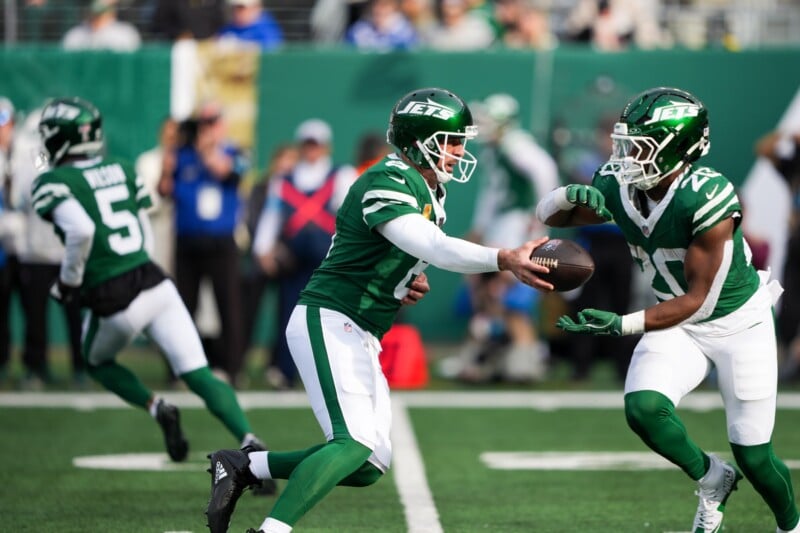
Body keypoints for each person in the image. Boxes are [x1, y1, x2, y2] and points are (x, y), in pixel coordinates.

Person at [204, 87, 553, 533]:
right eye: (451, 140)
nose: (460, 151)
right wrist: (503, 257)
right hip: (330, 318)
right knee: (352, 443)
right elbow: (431, 245)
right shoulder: (385, 179)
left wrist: (403, 279)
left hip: (361, 328)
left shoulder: (426, 188)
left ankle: (245, 467)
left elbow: (395, 252)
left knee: (368, 463)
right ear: (419, 140)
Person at [536, 86, 800, 533]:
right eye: (627, 143)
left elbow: (699, 298)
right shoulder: (621, 183)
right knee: (643, 409)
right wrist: (569, 196)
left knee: (755, 456)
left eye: (640, 145)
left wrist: (621, 324)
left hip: (738, 323)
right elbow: (551, 217)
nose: (627, 155)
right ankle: (712, 478)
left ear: (677, 148)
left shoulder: (707, 195)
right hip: (677, 323)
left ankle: (791, 526)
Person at [31, 97, 275, 496]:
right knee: (198, 373)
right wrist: (139, 262)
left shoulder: (53, 182)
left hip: (112, 294)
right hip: (153, 280)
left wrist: (69, 281)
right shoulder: (122, 168)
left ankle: (156, 406)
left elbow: (80, 231)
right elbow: (143, 219)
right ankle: (251, 442)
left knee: (95, 360)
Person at [442, 92, 558, 383]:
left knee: (508, 296)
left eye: (490, 120)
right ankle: (491, 357)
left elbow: (545, 171)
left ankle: (522, 358)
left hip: (516, 227)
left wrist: (542, 216)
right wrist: (479, 229)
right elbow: (492, 195)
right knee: (486, 293)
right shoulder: (497, 149)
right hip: (501, 227)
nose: (484, 125)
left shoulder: (516, 145)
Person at [251, 119, 357, 389]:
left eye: (317, 144)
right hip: (294, 260)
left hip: (328, 260)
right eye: (308, 144)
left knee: (332, 316)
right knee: (290, 315)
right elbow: (272, 216)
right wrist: (263, 249)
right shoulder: (283, 180)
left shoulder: (341, 175)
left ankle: (333, 372)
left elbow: (350, 216)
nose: (312, 150)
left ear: (326, 147)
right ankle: (285, 372)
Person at [158, 101, 247, 387]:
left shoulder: (234, 151)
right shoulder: (181, 155)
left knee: (228, 306)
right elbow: (164, 191)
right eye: (203, 123)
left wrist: (208, 148)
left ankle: (232, 369)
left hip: (221, 242)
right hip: (188, 241)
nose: (206, 129)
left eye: (212, 122)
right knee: (184, 307)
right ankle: (180, 369)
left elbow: (228, 173)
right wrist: (168, 162)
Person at [754, 129, 800, 379]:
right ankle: (786, 360)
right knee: (790, 304)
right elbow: (763, 149)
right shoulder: (794, 166)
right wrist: (785, 134)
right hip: (796, 241)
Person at [61, 0, 141, 52]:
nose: (98, 19)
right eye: (95, 15)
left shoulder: (126, 34)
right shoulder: (75, 35)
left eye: (102, 14)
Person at [217, 0, 283, 50]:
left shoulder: (268, 30)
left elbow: (270, 52)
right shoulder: (228, 28)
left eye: (241, 8)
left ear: (256, 7)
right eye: (234, 7)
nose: (237, 11)